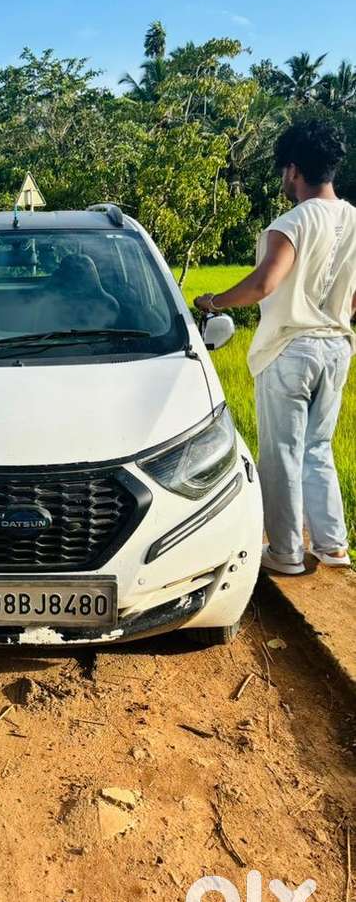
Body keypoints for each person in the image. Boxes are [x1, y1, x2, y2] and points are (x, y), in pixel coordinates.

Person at [195, 119, 355, 574]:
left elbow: (265, 282)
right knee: (318, 448)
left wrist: (214, 300)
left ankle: (284, 552)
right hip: (337, 346)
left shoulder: (293, 222)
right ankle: (333, 546)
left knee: (282, 451)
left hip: (290, 349)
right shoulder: (354, 218)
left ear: (293, 170)